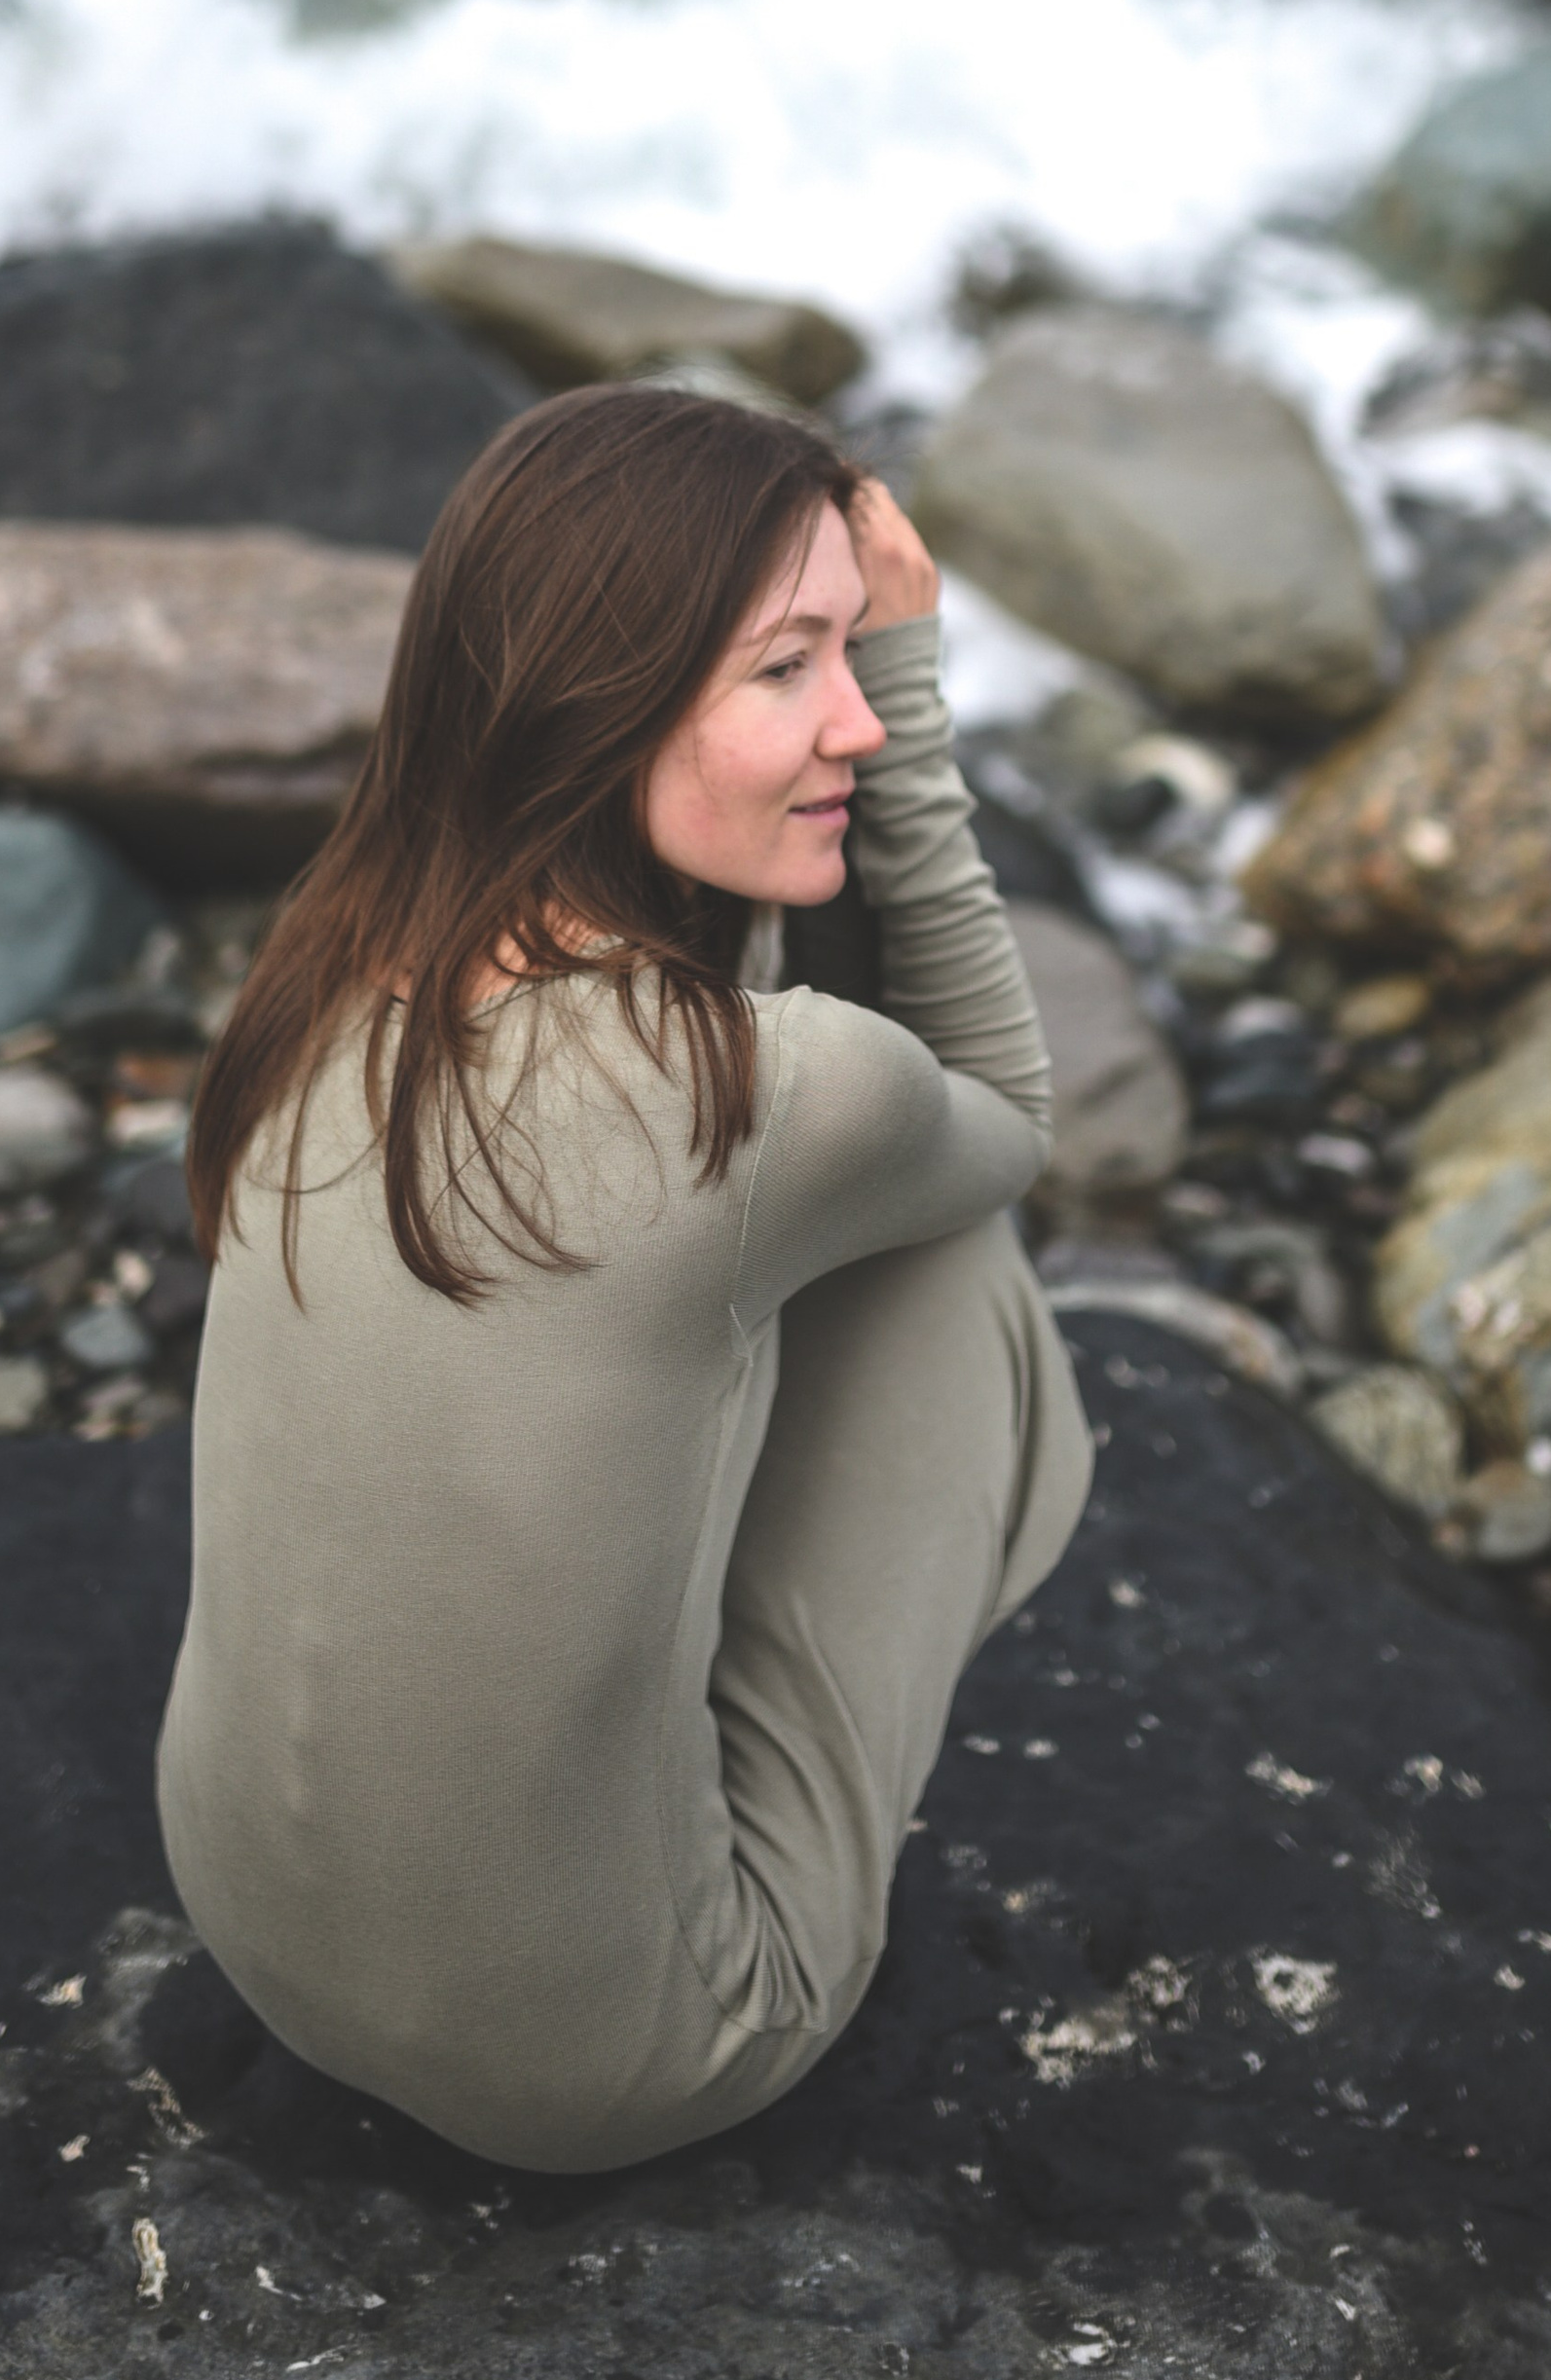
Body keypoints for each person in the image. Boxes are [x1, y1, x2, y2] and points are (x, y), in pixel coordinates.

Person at [158, 382, 1092, 2175]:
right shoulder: (788, 1094)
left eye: (850, 660)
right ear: (592, 693)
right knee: (958, 1260)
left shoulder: (337, 957)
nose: (851, 726)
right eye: (786, 668)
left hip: (241, 1918)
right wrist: (914, 669)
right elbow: (1014, 1116)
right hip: (608, 2064)